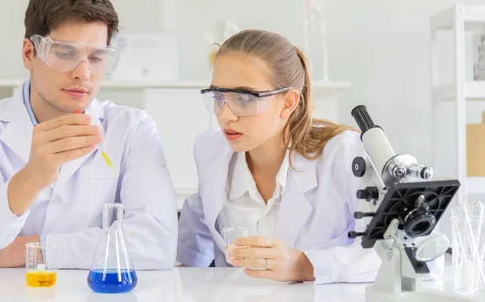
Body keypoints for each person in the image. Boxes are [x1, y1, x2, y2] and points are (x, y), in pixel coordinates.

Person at [0, 0, 178, 273]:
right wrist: (31, 178)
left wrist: (32, 249)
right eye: (64, 53)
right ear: (28, 54)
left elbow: (157, 245)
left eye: (97, 57)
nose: (83, 74)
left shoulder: (132, 129)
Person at [177, 30, 443, 284]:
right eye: (218, 96)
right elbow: (196, 228)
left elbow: (421, 252)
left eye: (245, 98)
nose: (225, 114)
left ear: (288, 103)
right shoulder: (211, 149)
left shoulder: (344, 155)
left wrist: (305, 265)